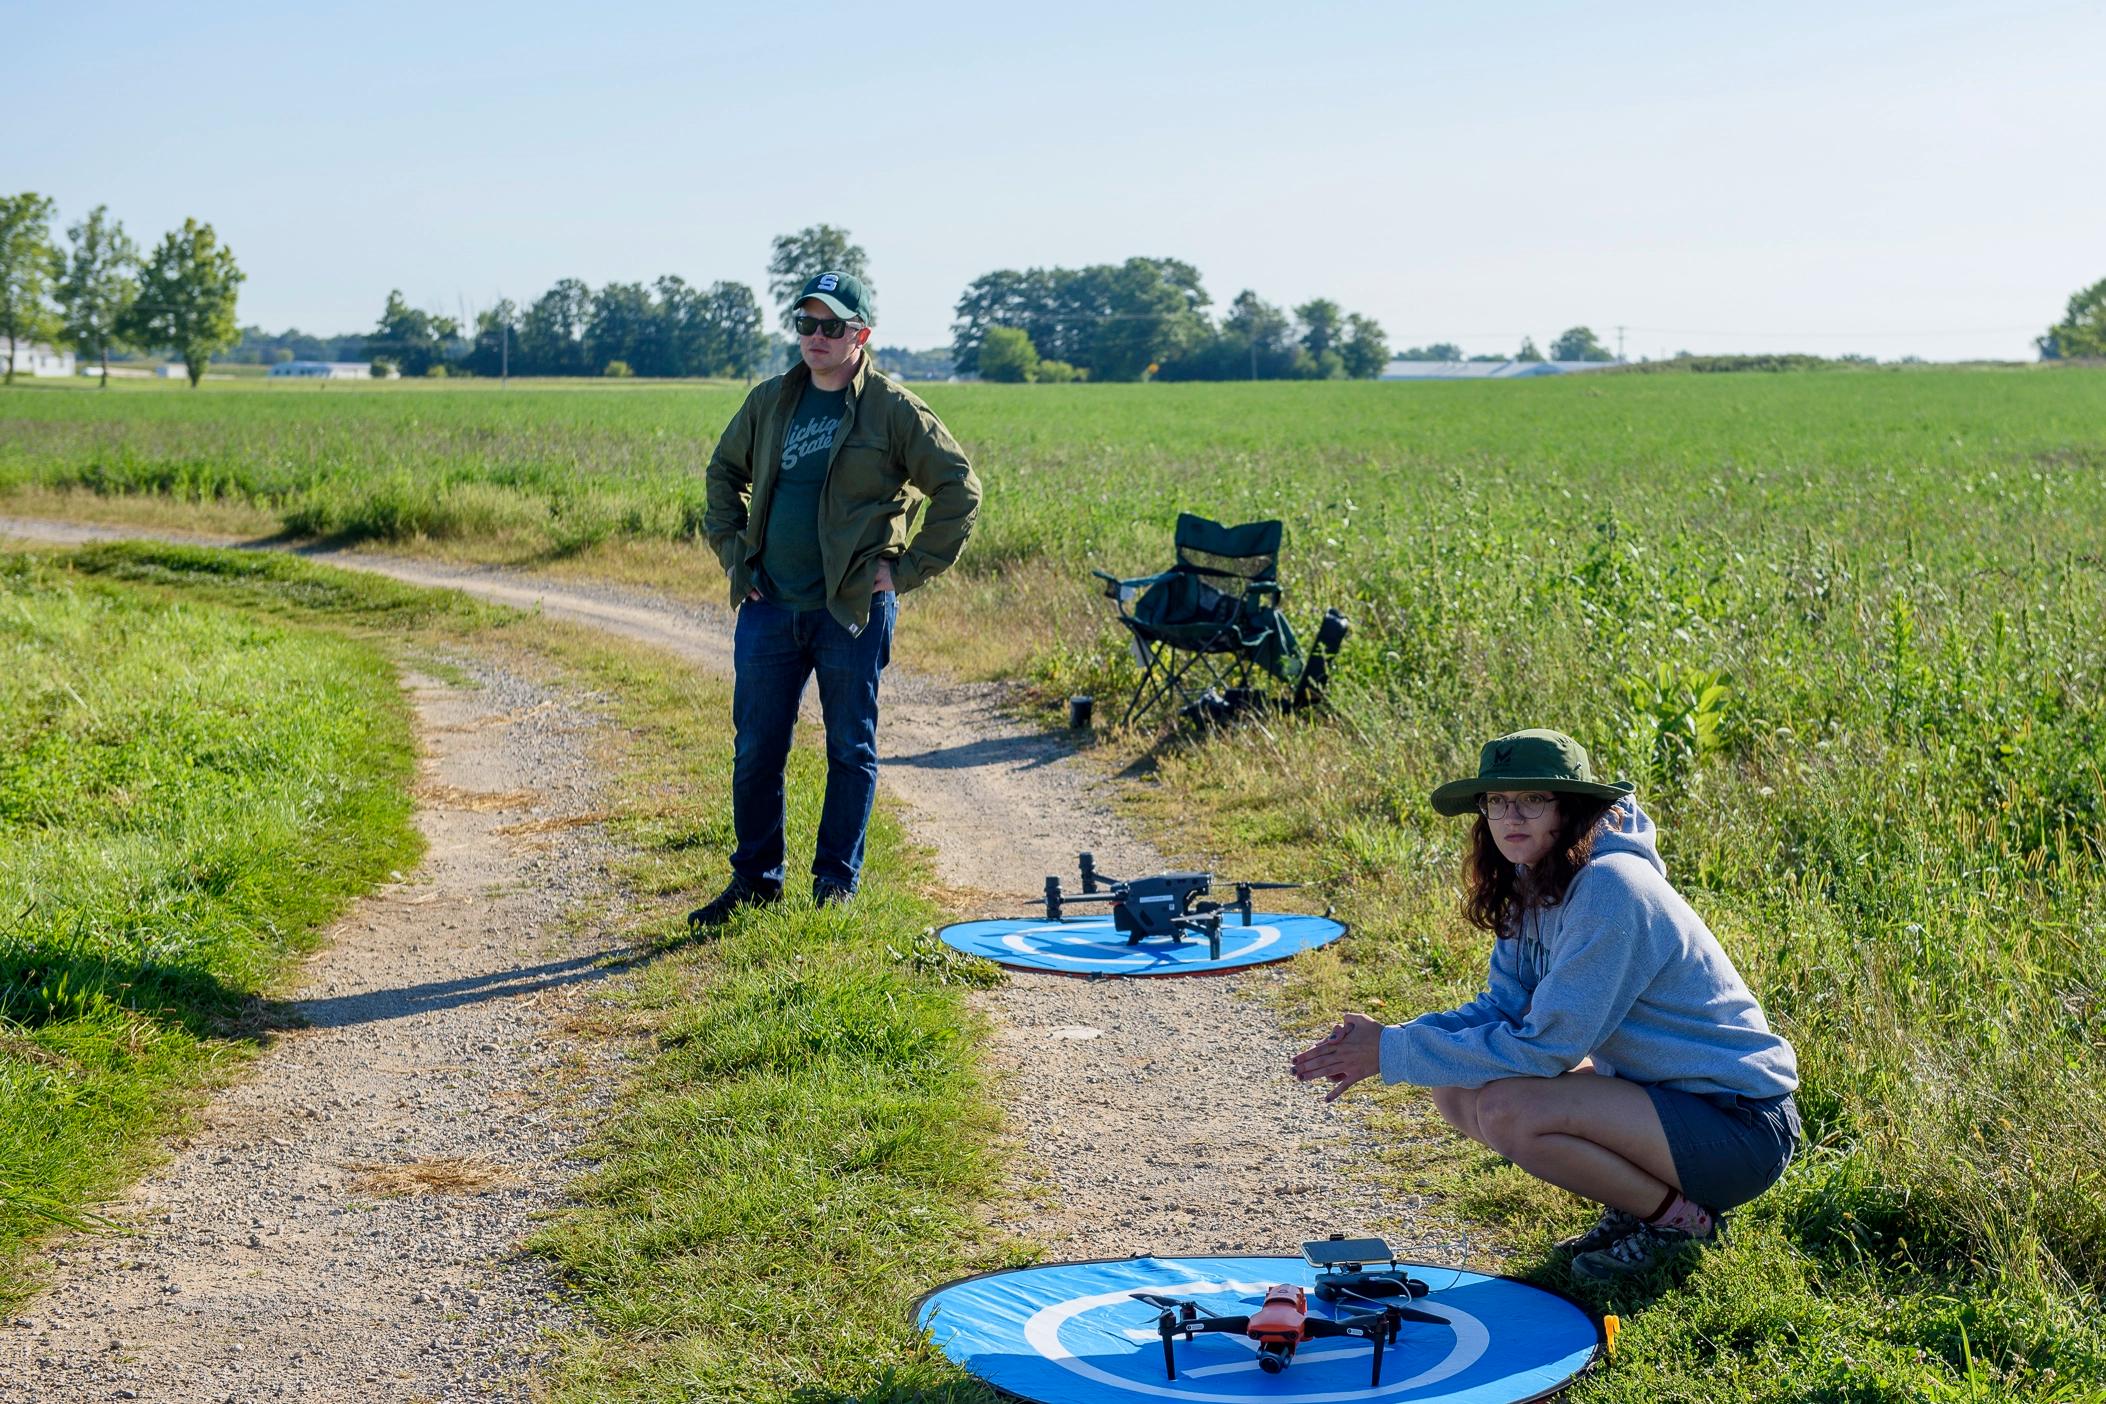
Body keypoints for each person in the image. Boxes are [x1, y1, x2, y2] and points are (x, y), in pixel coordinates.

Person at [1290, 729, 1800, 1280]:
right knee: (1457, 1089)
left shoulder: (1611, 887)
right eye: (1497, 801)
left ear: (1573, 807)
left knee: (1512, 1109)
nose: (1512, 815)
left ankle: (1679, 1222)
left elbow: (1548, 1047)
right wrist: (1391, 1040)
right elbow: (1505, 1007)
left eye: (1533, 799)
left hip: (1739, 1126)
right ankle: (1638, 1205)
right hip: (1664, 1103)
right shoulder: (1536, 876)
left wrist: (1390, 1051)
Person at [689, 270, 981, 927]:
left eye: (832, 326)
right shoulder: (770, 401)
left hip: (852, 610)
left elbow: (959, 488)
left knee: (850, 748)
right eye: (806, 324)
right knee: (757, 750)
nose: (815, 338)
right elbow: (722, 473)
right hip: (770, 604)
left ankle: (834, 886)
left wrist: (907, 572)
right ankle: (756, 886)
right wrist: (736, 554)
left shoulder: (894, 409)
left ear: (861, 334)